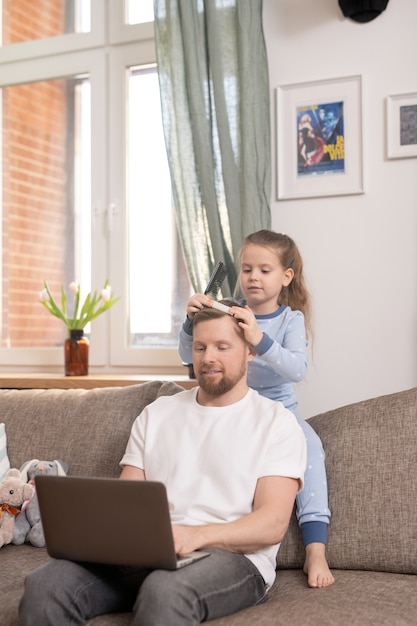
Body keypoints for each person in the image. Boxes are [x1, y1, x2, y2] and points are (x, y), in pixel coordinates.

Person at [20, 306, 306, 626]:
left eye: (222, 347)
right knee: (45, 586)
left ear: (249, 351)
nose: (208, 357)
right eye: (200, 347)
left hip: (234, 559)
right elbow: (126, 500)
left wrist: (192, 536)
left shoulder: (276, 423)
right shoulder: (157, 414)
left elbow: (272, 523)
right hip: (147, 551)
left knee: (164, 591)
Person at [179, 230, 335, 588]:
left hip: (278, 409)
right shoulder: (229, 312)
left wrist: (258, 339)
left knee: (310, 446)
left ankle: (315, 549)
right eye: (247, 269)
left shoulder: (289, 320)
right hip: (233, 408)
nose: (253, 277)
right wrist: (190, 324)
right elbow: (185, 355)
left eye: (264, 270)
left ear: (286, 277)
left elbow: (297, 369)